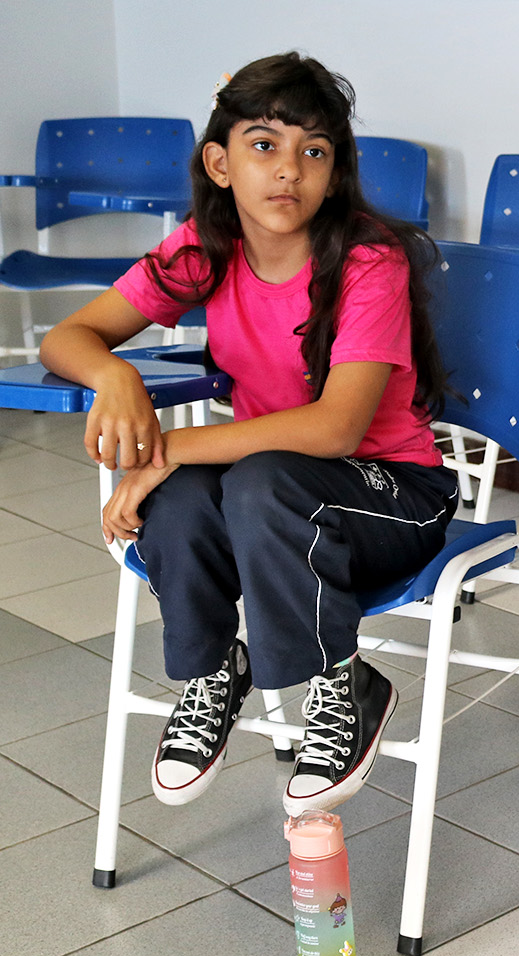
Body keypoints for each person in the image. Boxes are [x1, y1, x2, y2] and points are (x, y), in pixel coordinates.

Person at [40, 52, 457, 816]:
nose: (289, 169)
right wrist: (117, 376)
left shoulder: (368, 260)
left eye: (314, 151)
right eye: (264, 144)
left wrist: (165, 450)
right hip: (275, 501)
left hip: (397, 498)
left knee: (252, 480)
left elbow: (336, 429)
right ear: (220, 163)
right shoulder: (207, 247)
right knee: (181, 501)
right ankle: (213, 672)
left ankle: (345, 683)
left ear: (334, 172)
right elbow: (67, 338)